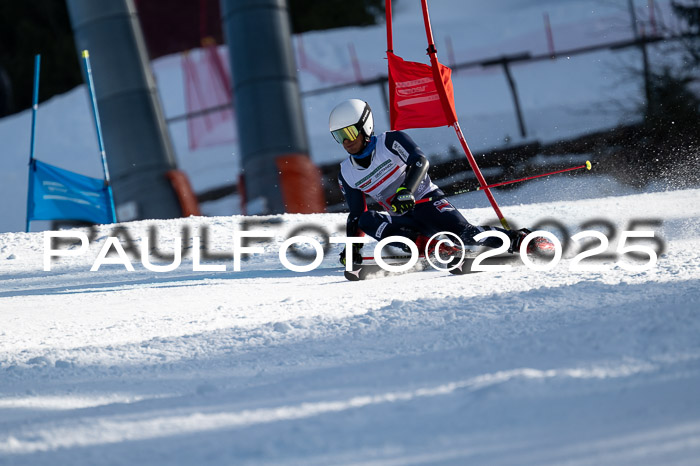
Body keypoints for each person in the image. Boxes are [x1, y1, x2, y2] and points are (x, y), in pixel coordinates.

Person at [330, 98, 532, 266]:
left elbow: (420, 161)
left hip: (427, 203)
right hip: (403, 220)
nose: (346, 142)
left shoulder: (391, 142)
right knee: (367, 220)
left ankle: (518, 240)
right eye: (339, 136)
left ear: (365, 126)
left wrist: (406, 190)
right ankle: (430, 247)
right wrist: (352, 248)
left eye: (349, 133)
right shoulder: (346, 173)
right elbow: (357, 215)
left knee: (465, 234)